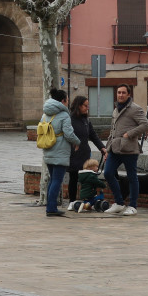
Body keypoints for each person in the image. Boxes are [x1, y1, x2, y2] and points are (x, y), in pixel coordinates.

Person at [103, 83, 148, 215]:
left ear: (129, 94)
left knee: (131, 177)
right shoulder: (115, 109)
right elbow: (112, 131)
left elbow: (146, 125)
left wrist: (129, 134)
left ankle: (133, 206)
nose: (121, 95)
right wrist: (107, 149)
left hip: (129, 148)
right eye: (119, 92)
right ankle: (119, 202)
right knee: (107, 173)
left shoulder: (135, 109)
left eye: (123, 93)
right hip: (114, 148)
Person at [40, 89, 80, 217]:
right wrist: (77, 142)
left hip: (48, 149)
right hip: (60, 150)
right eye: (67, 100)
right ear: (63, 101)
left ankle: (50, 206)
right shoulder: (64, 115)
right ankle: (51, 208)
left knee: (53, 179)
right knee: (57, 180)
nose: (68, 102)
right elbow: (68, 134)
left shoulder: (45, 114)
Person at [66, 94, 106, 202]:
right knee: (74, 178)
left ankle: (88, 201)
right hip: (73, 154)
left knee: (87, 179)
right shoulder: (69, 119)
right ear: (78, 106)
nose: (87, 108)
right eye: (85, 105)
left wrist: (102, 148)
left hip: (85, 154)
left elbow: (93, 135)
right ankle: (72, 201)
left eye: (88, 105)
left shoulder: (86, 120)